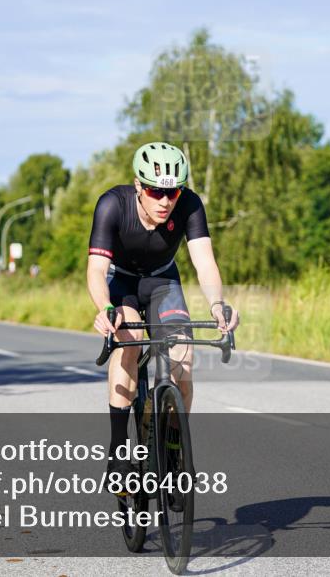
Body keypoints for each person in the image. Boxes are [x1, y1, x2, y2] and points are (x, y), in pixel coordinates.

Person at [87, 142, 239, 480]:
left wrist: (218, 306)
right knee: (131, 339)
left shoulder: (190, 205)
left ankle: (173, 448)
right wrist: (106, 308)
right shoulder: (113, 204)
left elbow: (204, 261)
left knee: (183, 359)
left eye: (173, 193)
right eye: (156, 191)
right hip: (122, 284)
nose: (165, 201)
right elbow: (96, 270)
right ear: (139, 186)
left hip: (162, 283)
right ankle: (117, 450)